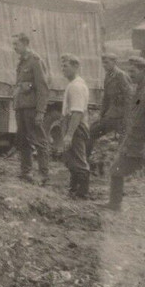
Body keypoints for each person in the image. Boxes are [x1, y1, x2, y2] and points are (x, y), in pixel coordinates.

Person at [107, 56, 145, 223]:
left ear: (144, 71)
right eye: (129, 70)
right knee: (116, 170)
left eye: (133, 71)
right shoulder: (138, 89)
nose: (130, 74)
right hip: (134, 143)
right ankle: (114, 205)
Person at [12, 32, 51, 185]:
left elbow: (43, 88)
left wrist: (41, 111)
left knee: (40, 141)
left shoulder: (35, 61)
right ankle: (26, 172)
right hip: (21, 107)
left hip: (32, 108)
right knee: (23, 140)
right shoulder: (22, 62)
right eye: (13, 44)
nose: (14, 47)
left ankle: (44, 174)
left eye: (16, 44)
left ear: (25, 44)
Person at [87, 51, 132, 172]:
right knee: (91, 132)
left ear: (114, 62)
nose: (104, 65)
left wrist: (127, 120)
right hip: (110, 115)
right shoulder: (108, 75)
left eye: (106, 63)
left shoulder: (121, 75)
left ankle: (121, 169)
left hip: (120, 117)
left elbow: (129, 98)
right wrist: (101, 115)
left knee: (122, 145)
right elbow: (106, 98)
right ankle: (86, 163)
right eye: (103, 63)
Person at [55, 54, 91, 199]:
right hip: (71, 124)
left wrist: (69, 134)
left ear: (76, 67)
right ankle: (74, 190)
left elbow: (77, 112)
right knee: (70, 159)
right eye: (62, 66)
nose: (63, 69)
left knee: (78, 159)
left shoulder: (76, 86)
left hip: (76, 126)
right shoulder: (73, 84)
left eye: (66, 66)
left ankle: (82, 193)